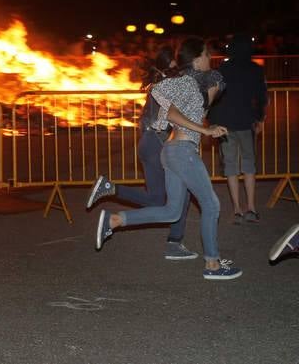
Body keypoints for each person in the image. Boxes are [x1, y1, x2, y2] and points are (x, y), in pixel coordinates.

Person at [95, 37, 242, 280]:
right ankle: (213, 265)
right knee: (212, 204)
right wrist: (204, 129)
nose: (210, 59)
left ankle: (113, 220)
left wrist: (205, 122)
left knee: (172, 211)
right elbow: (172, 113)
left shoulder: (186, 83)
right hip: (181, 150)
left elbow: (178, 108)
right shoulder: (186, 83)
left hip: (172, 150)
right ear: (196, 58)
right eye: (206, 54)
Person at [209, 33, 269, 224]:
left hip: (225, 124)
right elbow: (261, 98)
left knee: (231, 166)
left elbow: (214, 97)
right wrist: (259, 119)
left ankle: (236, 209)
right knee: (249, 166)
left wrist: (213, 121)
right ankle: (251, 208)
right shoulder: (256, 70)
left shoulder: (223, 68)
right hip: (246, 122)